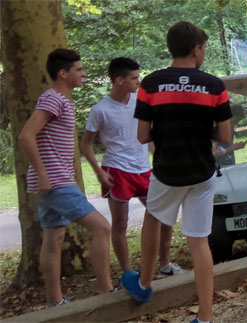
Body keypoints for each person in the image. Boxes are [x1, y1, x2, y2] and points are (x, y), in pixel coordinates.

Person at [122, 22, 232, 323]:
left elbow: (143, 136)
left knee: (153, 219)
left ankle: (144, 285)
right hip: (201, 173)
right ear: (196, 49)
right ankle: (205, 317)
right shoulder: (215, 86)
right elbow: (225, 136)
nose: (204, 53)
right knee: (199, 241)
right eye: (204, 48)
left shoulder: (150, 84)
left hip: (167, 172)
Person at [18, 48, 114, 308]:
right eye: (79, 69)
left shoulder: (61, 101)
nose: (83, 74)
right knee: (102, 227)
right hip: (56, 182)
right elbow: (26, 135)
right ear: (63, 73)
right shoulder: (53, 99)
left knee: (54, 236)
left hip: (54, 182)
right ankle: (107, 293)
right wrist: (42, 174)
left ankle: (54, 301)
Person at [80, 57, 184, 277]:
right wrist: (99, 172)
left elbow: (149, 135)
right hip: (116, 169)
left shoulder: (140, 102)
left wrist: (159, 158)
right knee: (120, 223)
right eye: (134, 78)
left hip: (144, 169)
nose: (139, 81)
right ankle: (127, 272)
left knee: (163, 216)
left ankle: (165, 264)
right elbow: (85, 144)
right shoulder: (100, 109)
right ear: (119, 80)